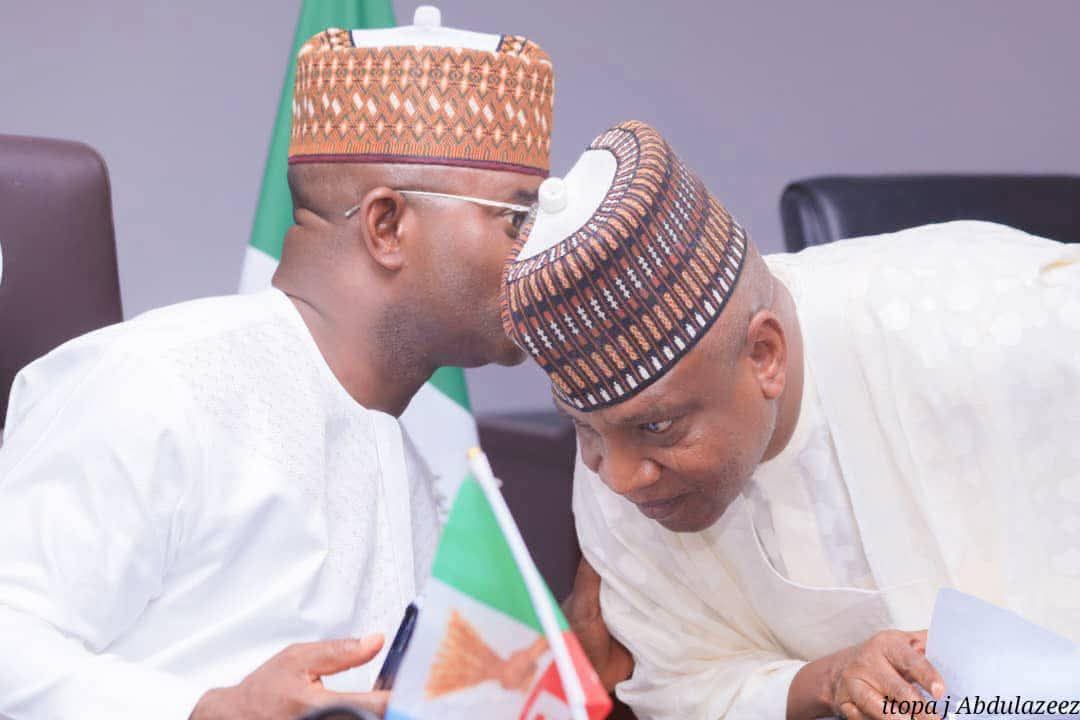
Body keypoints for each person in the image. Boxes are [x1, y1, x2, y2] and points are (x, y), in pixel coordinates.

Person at [0, 11, 554, 720]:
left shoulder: (408, 464)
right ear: (387, 226)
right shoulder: (155, 384)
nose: (542, 252)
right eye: (516, 219)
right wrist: (207, 709)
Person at [502, 120, 1080, 720]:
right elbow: (680, 682)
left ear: (765, 355)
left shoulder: (992, 322)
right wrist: (831, 677)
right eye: (586, 428)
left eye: (657, 427)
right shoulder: (617, 450)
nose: (619, 479)